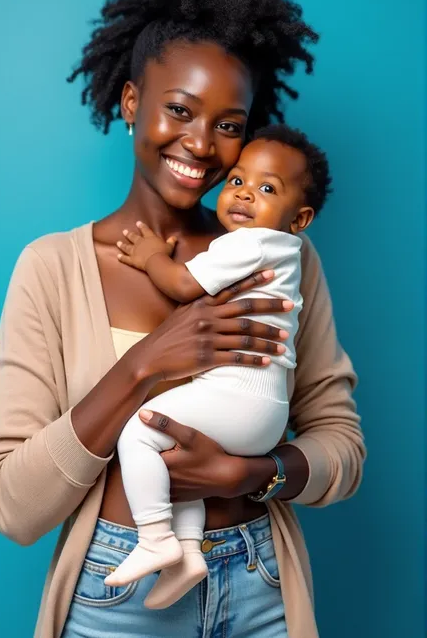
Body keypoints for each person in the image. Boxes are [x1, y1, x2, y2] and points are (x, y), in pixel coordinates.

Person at [0, 0, 365, 638]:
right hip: (118, 596)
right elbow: (12, 505)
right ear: (130, 101)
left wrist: (254, 474)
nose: (199, 143)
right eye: (177, 110)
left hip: (258, 583)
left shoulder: (281, 258)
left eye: (228, 125)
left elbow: (342, 446)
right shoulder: (53, 269)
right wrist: (144, 365)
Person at [106, 124, 331, 611]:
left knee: (139, 433)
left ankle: (154, 538)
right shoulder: (289, 252)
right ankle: (187, 553)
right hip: (264, 414)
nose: (245, 194)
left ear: (300, 217)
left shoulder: (248, 244)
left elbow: (184, 286)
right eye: (237, 181)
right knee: (176, 456)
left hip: (238, 398)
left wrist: (149, 257)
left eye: (267, 189)